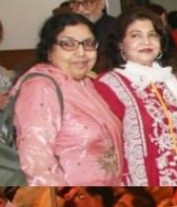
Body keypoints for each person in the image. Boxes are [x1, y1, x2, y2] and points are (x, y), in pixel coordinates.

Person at [95, 7, 177, 185]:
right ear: (120, 43)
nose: (146, 41)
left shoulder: (170, 80)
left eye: (153, 35)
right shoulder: (108, 85)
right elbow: (105, 145)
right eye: (135, 35)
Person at [11, 13, 122, 185]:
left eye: (88, 43)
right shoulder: (40, 87)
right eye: (68, 44)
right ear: (49, 50)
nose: (81, 52)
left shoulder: (86, 84)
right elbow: (37, 163)